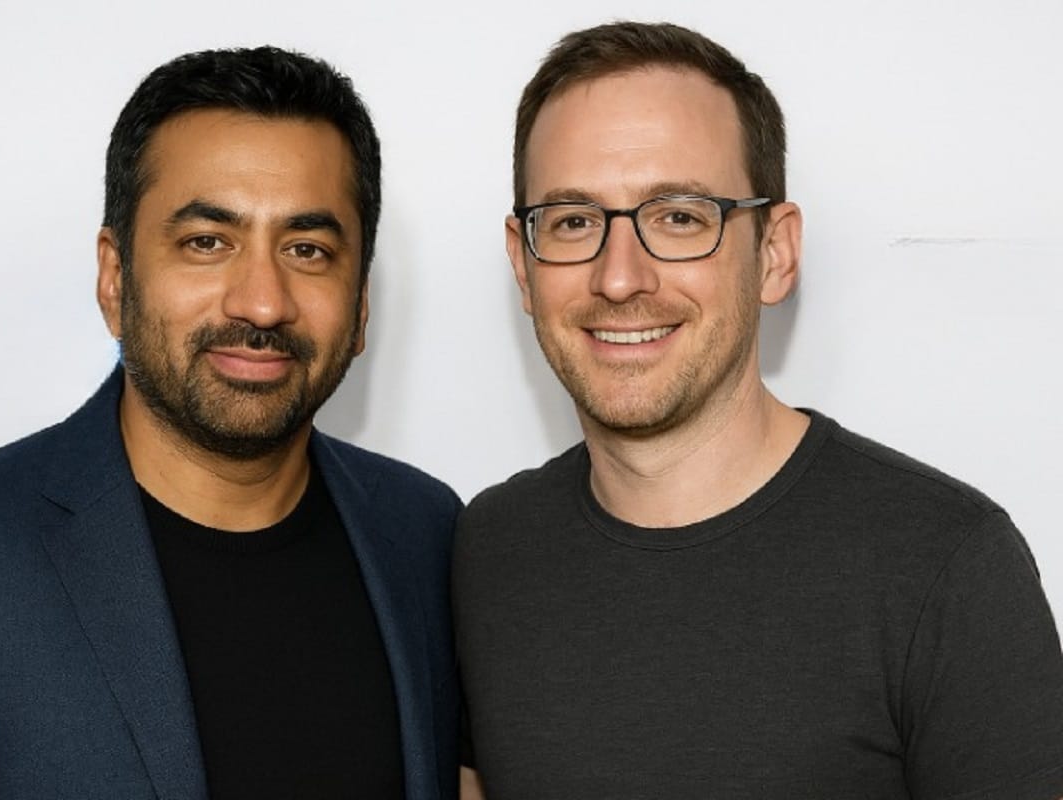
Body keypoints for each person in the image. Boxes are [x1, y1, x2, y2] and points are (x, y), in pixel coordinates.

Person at [454, 20, 1063, 800]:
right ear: (522, 261)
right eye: (573, 221)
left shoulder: (945, 565)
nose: (618, 277)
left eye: (679, 216)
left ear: (774, 253)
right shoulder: (488, 550)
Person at [0, 47, 460, 799]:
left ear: (361, 302)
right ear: (115, 278)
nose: (262, 302)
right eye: (207, 243)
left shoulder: (426, 532)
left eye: (308, 250)